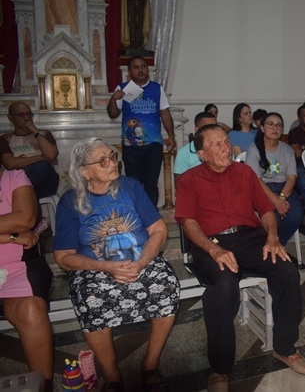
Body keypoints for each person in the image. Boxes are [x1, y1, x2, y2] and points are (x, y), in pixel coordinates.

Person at [175, 124, 305, 391]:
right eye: (217, 144)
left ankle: (285, 347)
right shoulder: (190, 179)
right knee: (224, 285)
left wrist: (273, 237)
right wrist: (213, 249)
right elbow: (189, 223)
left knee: (288, 270)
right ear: (202, 154)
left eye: (226, 141)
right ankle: (220, 368)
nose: (225, 148)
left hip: (251, 239)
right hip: (211, 243)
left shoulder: (245, 172)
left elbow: (266, 209)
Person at [53, 138, 179, 392]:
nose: (112, 163)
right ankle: (112, 377)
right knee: (90, 297)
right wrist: (106, 267)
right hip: (96, 268)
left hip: (140, 260)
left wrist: (141, 263)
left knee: (167, 284)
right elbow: (63, 256)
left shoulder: (130, 186)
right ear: (83, 171)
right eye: (102, 161)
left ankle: (150, 366)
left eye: (112, 156)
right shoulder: (71, 201)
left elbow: (158, 229)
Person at [0, 166, 53, 392]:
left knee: (30, 309)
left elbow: (25, 219)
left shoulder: (14, 177)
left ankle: (43, 386)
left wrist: (12, 234)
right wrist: (11, 236)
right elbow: (17, 227)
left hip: (18, 266)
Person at [107, 56, 176, 207]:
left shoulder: (156, 88)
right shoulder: (124, 89)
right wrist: (113, 99)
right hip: (131, 145)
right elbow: (113, 114)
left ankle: (151, 214)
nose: (140, 70)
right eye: (136, 67)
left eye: (143, 66)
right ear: (129, 72)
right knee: (134, 183)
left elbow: (165, 113)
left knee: (151, 182)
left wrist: (171, 136)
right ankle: (138, 214)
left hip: (153, 143)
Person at [246, 112, 303, 247]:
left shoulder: (287, 150)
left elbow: (291, 178)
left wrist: (282, 198)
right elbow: (256, 180)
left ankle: (277, 245)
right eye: (270, 124)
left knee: (296, 217)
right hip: (262, 187)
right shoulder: (254, 149)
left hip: (285, 188)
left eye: (278, 125)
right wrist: (275, 201)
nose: (275, 128)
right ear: (262, 128)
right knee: (274, 218)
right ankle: (270, 245)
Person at [1, 102, 59, 199]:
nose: (26, 118)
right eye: (20, 115)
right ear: (10, 118)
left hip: (44, 184)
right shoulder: (5, 139)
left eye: (28, 114)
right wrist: (40, 157)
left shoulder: (44, 134)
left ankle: (11, 193)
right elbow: (10, 163)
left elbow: (51, 155)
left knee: (43, 165)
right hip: (17, 181)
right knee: (42, 163)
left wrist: (35, 131)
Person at [174, 112, 218, 183]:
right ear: (197, 130)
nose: (214, 131)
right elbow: (180, 184)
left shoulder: (224, 149)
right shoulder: (184, 153)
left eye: (215, 127)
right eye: (208, 128)